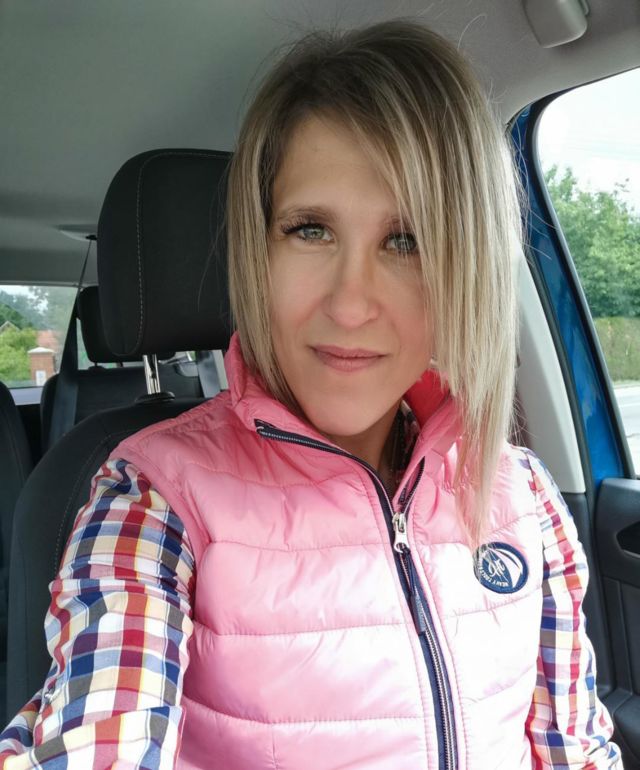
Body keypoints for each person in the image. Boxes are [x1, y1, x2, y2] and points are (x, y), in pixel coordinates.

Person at [0, 19, 623, 770]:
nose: (351, 305)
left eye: (406, 240)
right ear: (257, 251)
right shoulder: (152, 501)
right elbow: (95, 736)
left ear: (464, 267)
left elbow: (576, 749)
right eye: (310, 230)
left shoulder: (525, 498)